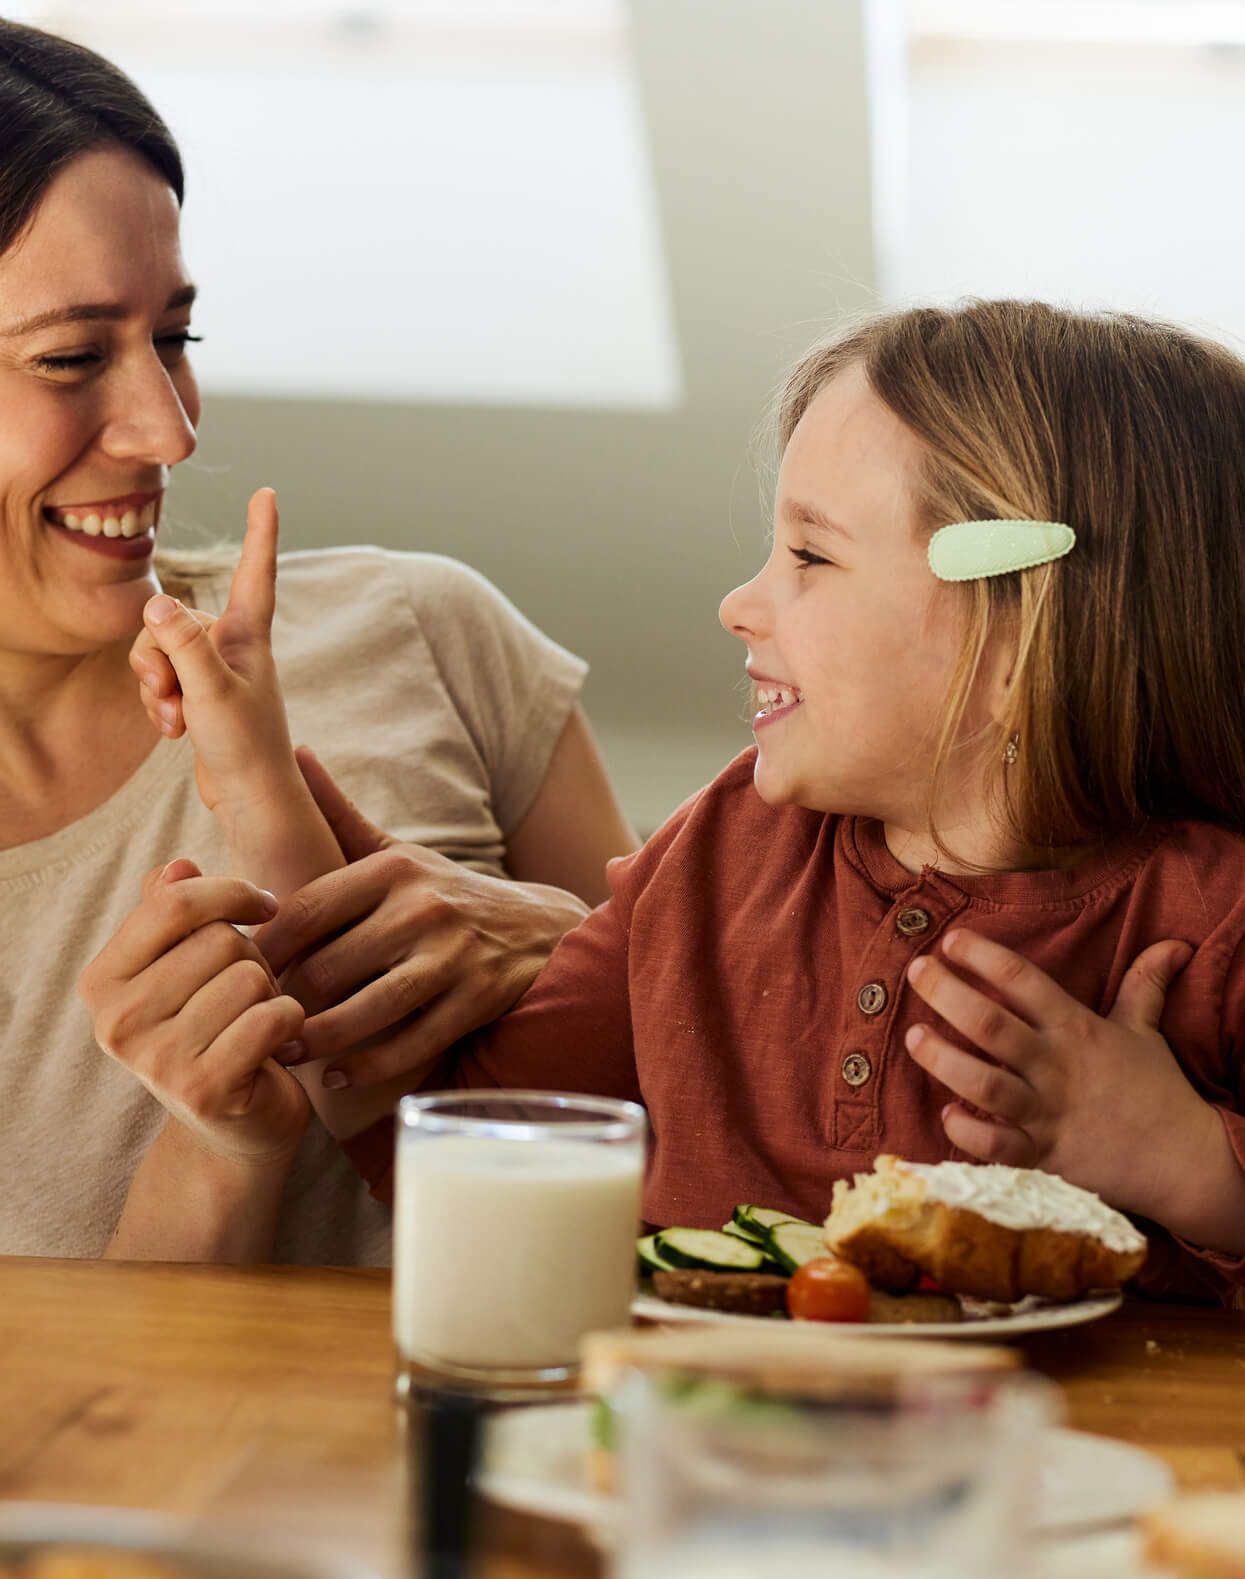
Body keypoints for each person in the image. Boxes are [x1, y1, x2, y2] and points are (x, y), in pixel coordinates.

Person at [0, 0, 635, 1266]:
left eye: (174, 338)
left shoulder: (424, 634)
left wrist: (564, 953)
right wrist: (218, 1155)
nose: (168, 428)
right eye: (73, 355)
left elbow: (722, 1167)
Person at [155, 299, 1245, 1304]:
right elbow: (461, 1128)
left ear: (1016, 631)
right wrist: (260, 783)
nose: (740, 604)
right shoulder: (721, 846)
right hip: (702, 1457)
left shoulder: (1217, 919)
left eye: (810, 555)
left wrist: (1181, 1157)